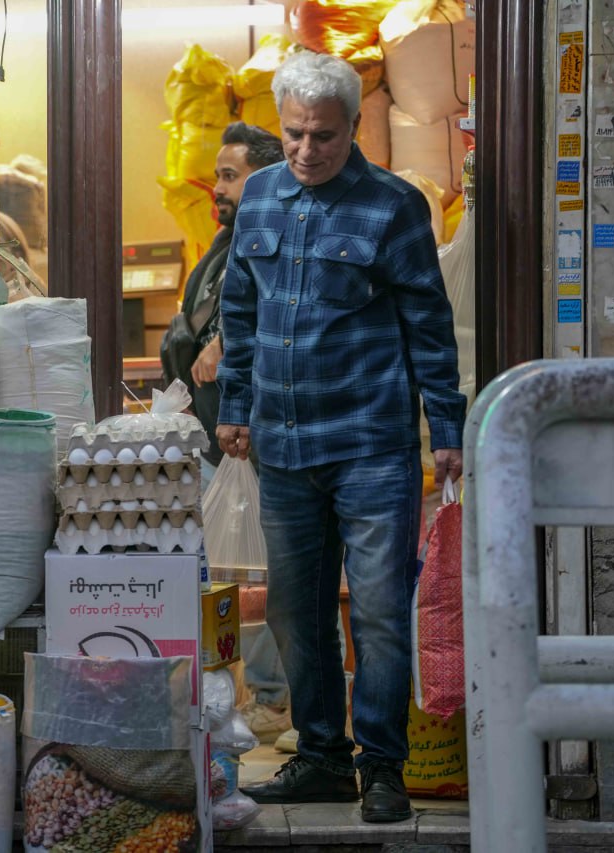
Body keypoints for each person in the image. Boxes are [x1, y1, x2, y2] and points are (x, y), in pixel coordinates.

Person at [220, 51, 465, 823]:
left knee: (382, 609)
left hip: (371, 445)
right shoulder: (258, 197)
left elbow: (430, 325)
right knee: (295, 608)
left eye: (322, 136)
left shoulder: (394, 206)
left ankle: (383, 766)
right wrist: (234, 404)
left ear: (354, 127)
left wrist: (446, 427)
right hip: (283, 446)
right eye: (292, 134)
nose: (304, 151)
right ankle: (322, 757)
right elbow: (238, 310)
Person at [161, 122, 284, 491]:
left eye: (230, 176)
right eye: (218, 176)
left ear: (265, 179)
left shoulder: (283, 241)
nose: (217, 189)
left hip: (262, 443)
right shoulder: (224, 243)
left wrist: (226, 342)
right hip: (218, 446)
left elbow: (283, 313)